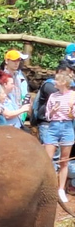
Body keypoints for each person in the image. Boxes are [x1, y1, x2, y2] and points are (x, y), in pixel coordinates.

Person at [43, 71, 75, 203]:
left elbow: (72, 116)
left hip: (67, 127)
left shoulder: (73, 95)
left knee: (64, 161)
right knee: (46, 159)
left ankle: (60, 189)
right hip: (53, 127)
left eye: (56, 80)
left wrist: (72, 110)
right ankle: (46, 188)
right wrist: (52, 112)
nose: (54, 82)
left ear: (63, 82)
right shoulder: (53, 96)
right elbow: (47, 116)